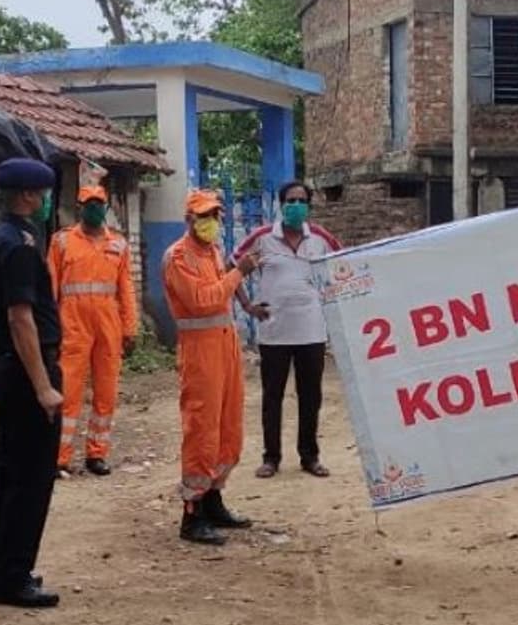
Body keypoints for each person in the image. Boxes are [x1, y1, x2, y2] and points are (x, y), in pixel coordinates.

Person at [0, 158, 63, 608]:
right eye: (44, 193)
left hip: (5, 369)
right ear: (28, 195)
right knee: (30, 480)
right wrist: (44, 385)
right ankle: (14, 577)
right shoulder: (23, 246)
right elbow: (20, 318)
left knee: (7, 475)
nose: (48, 200)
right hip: (28, 370)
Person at [162, 189, 261, 545]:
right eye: (204, 216)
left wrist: (246, 301)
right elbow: (203, 300)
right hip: (200, 352)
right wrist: (240, 274)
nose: (212, 223)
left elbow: (222, 291)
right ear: (189, 220)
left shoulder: (214, 251)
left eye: (215, 216)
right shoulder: (177, 258)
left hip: (225, 345)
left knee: (228, 427)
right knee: (202, 429)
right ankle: (192, 514)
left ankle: (214, 499)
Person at [231, 181, 342, 480]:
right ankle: (271, 458)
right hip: (274, 331)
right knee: (272, 397)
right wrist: (247, 305)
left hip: (312, 331)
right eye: (290, 201)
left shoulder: (320, 238)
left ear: (309, 205)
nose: (296, 205)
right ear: (281, 206)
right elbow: (231, 267)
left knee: (311, 397)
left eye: (301, 200)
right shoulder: (263, 238)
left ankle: (310, 457)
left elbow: (344, 268)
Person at [48, 185, 138, 477]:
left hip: (108, 326)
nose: (95, 208)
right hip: (72, 325)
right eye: (89, 203)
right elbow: (50, 289)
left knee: (106, 392)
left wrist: (130, 328)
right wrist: (50, 331)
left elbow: (126, 289)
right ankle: (59, 458)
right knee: (69, 391)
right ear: (79, 207)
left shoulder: (119, 245)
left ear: (108, 205)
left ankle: (96, 454)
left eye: (99, 203)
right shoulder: (61, 242)